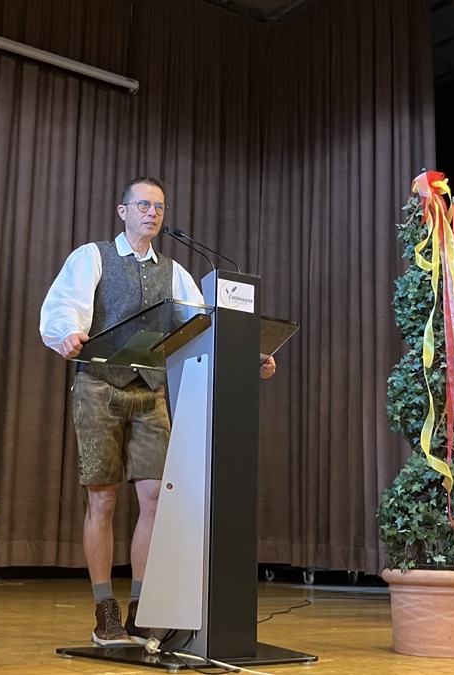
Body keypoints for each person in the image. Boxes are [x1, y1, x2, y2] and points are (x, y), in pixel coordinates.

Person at [39, 177, 276, 646]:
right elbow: (64, 308)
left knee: (154, 498)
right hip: (99, 385)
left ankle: (141, 610)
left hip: (150, 392)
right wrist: (67, 333)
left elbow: (204, 323)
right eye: (144, 205)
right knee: (103, 499)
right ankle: (105, 610)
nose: (152, 213)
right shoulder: (93, 257)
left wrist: (250, 355)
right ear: (122, 211)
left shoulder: (174, 272)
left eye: (159, 207)